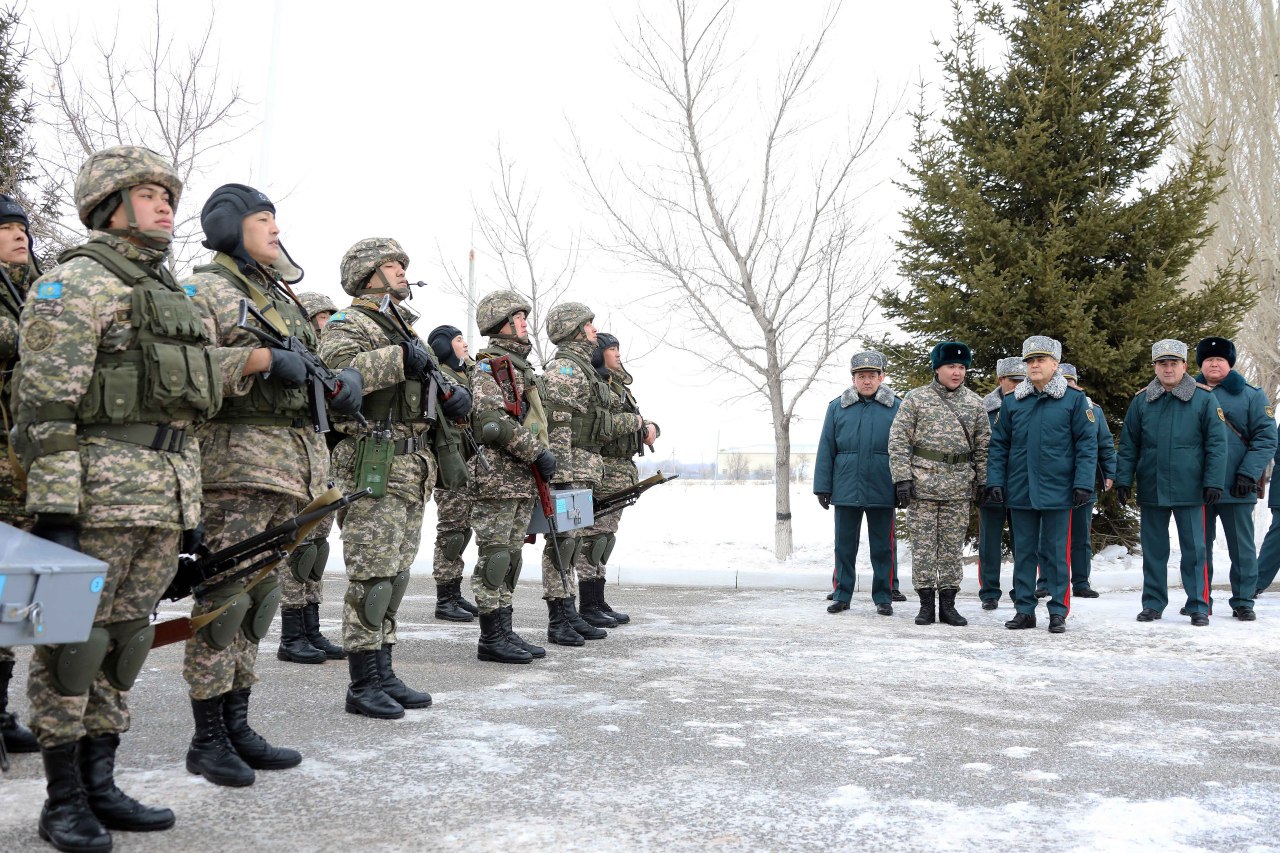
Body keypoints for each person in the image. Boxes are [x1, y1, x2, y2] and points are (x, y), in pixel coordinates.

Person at [15, 146, 217, 850]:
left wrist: (191, 512)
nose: (165, 203)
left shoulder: (170, 293)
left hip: (160, 499)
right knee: (71, 647)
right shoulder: (75, 283)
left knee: (125, 644)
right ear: (109, 205)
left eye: (168, 192)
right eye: (148, 192)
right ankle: (63, 798)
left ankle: (101, 782)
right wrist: (57, 513)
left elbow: (186, 414)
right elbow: (43, 408)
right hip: (96, 498)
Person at [181, 184, 362, 786]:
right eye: (265, 221)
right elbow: (184, 368)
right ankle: (207, 738)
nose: (276, 232)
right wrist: (257, 362)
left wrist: (333, 385)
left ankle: (238, 724)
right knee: (225, 603)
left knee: (256, 604)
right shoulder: (206, 289)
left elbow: (299, 371)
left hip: (287, 469)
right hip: (234, 469)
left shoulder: (273, 296)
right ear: (233, 227)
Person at [319, 238, 471, 719]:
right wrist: (401, 359)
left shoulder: (404, 325)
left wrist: (451, 393)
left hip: (409, 466)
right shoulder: (351, 322)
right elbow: (336, 374)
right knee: (371, 578)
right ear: (368, 275)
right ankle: (362, 682)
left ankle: (383, 670)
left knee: (397, 575)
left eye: (404, 265)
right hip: (373, 462)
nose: (404, 272)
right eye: (393, 265)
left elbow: (427, 380)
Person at [540, 302, 646, 643]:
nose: (594, 331)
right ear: (574, 329)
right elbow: (558, 424)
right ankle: (559, 618)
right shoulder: (566, 370)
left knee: (571, 543)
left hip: (583, 470)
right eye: (589, 325)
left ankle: (569, 612)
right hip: (569, 471)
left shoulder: (582, 368)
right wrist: (561, 473)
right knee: (563, 545)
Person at [985, 337, 1096, 633]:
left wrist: (1083, 483)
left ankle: (1058, 610)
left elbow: (1087, 445)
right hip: (1020, 490)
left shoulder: (1074, 400)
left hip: (1059, 491)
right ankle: (1024, 610)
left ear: (1055, 364)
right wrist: (995, 480)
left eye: (1041, 360)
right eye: (1030, 361)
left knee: (1057, 553)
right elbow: (999, 446)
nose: (1034, 365)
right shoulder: (1013, 402)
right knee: (1023, 553)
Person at [467, 291, 555, 661]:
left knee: (512, 556)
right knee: (495, 557)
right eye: (519, 317)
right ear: (501, 323)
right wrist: (536, 452)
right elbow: (490, 423)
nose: (525, 324)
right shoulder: (489, 368)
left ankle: (505, 629)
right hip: (497, 479)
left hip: (519, 477)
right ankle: (491, 639)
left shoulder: (520, 369)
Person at [1115, 339, 1226, 626]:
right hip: (1152, 487)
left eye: (1173, 363)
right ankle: (1152, 603)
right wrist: (1124, 480)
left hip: (1191, 488)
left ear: (1184, 366)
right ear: (1155, 367)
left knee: (1195, 551)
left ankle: (1199, 605)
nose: (1168, 368)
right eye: (1162, 363)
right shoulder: (1142, 401)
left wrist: (1213, 482)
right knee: (1154, 551)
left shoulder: (1203, 399)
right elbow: (1129, 445)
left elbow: (1216, 444)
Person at [887, 341, 989, 627]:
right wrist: (902, 479)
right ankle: (925, 605)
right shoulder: (916, 399)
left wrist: (983, 481)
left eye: (961, 367)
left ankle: (948, 605)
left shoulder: (974, 403)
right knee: (923, 547)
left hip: (958, 487)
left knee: (951, 549)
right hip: (922, 486)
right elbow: (898, 441)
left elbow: (983, 447)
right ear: (937, 368)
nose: (957, 372)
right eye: (950, 366)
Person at [275, 290, 347, 664]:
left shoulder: (327, 365)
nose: (329, 326)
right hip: (300, 462)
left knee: (317, 548)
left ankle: (312, 628)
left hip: (325, 463)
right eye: (323, 319)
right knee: (300, 547)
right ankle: (291, 635)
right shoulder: (299, 362)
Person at [573, 332, 658, 626]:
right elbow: (603, 426)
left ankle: (598, 600)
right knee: (592, 538)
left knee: (605, 538)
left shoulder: (617, 385)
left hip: (619, 470)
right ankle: (587, 604)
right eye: (612, 349)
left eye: (618, 348)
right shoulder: (595, 386)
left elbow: (634, 416)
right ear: (598, 354)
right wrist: (636, 422)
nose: (618, 354)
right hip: (601, 470)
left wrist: (649, 426)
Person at [1194, 337, 1276, 620]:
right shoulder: (1188, 392)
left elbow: (1266, 439)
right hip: (1198, 486)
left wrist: (1248, 473)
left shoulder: (1251, 395)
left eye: (1220, 360)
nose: (1214, 364)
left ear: (1230, 363)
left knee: (1241, 548)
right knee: (1198, 547)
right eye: (1208, 360)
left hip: (1237, 485)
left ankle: (1243, 600)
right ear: (1200, 364)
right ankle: (1200, 599)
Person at [814, 350, 900, 615]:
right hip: (846, 487)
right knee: (844, 545)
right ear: (853, 379)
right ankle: (841, 594)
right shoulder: (837, 407)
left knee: (883, 547)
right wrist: (823, 486)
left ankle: (883, 597)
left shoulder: (896, 407)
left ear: (882, 377)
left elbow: (903, 449)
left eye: (872, 376)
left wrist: (902, 484)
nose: (867, 381)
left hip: (882, 487)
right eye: (861, 376)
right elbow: (826, 447)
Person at [0, 194, 40, 758]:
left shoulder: (31, 291)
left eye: (21, 227)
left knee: (16, 589)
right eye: (5, 228)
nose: (18, 235)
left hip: (21, 464)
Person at [427, 324, 480, 623]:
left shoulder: (466, 374)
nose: (465, 344)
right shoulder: (442, 376)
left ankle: (454, 593)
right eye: (459, 340)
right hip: (451, 463)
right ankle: (444, 599)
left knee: (462, 530)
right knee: (451, 532)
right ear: (445, 346)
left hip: (467, 461)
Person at [1058, 364, 1117, 598]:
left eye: (1071, 382)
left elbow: (1105, 443)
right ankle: (1045, 581)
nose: (1068, 386)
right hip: (1055, 481)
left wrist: (1110, 473)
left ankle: (1081, 581)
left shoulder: (1094, 410)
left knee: (1081, 536)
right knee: (1050, 536)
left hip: (1084, 481)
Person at [977, 356, 1025, 610]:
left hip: (1021, 483)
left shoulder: (1031, 404)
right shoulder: (983, 408)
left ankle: (1023, 589)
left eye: (1022, 380)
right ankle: (989, 592)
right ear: (1001, 380)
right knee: (989, 542)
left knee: (1024, 541)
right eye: (1013, 380)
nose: (1018, 386)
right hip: (989, 484)